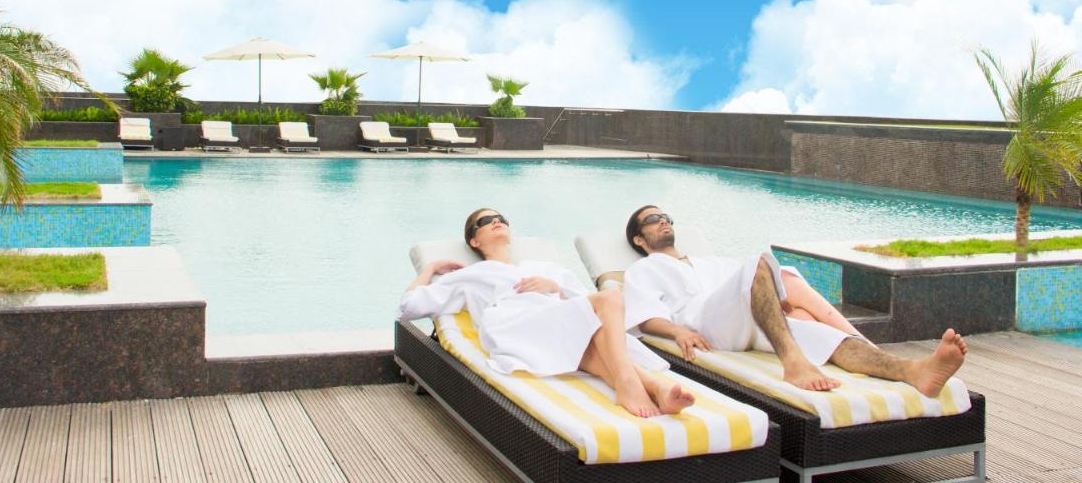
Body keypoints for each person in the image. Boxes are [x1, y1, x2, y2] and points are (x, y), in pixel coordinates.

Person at [623, 205, 968, 396]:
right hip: (707, 325)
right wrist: (677, 332)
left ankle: (912, 371)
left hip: (756, 325)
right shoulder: (645, 269)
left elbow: (755, 287)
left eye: (667, 216)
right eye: (653, 219)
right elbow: (644, 317)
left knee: (826, 338)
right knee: (761, 261)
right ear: (640, 239)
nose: (664, 220)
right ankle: (793, 362)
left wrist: (781, 301)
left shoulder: (711, 263)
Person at [400, 207, 695, 417]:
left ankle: (648, 386)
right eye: (486, 220)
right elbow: (410, 306)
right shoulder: (474, 273)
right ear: (474, 241)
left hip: (555, 318)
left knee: (599, 319)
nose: (496, 221)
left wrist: (555, 286)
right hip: (514, 323)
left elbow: (584, 298)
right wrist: (431, 269)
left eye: (501, 218)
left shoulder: (546, 269)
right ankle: (634, 382)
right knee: (609, 300)